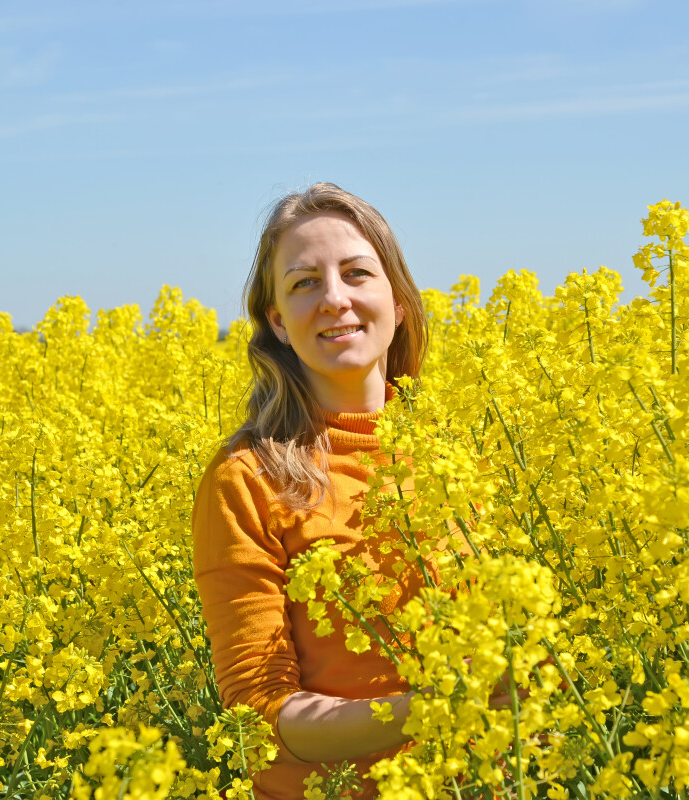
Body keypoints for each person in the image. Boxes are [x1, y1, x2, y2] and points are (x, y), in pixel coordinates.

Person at [192, 183, 431, 799]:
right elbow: (259, 715)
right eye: (303, 283)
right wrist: (434, 709)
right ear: (276, 321)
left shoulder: (457, 455)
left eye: (356, 273)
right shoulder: (245, 480)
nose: (335, 299)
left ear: (398, 302)